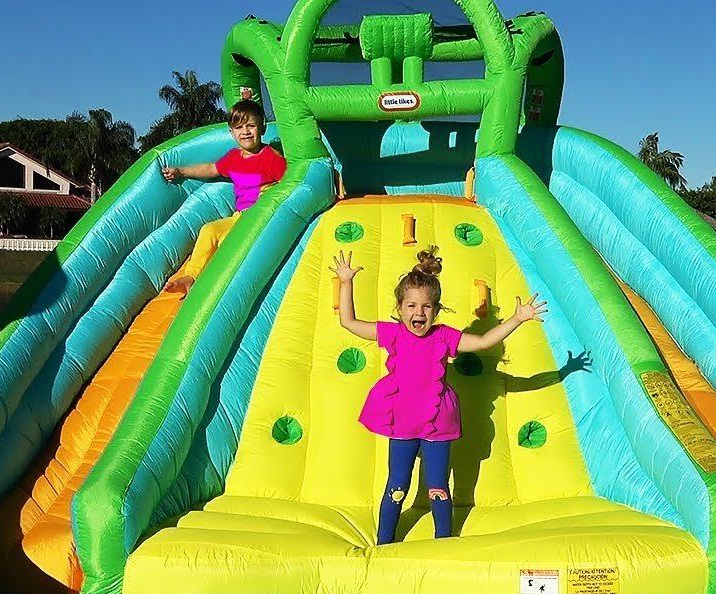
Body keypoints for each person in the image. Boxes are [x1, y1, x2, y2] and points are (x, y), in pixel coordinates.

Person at [332, 246, 547, 545]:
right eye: (411, 306)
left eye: (426, 307)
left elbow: (484, 341)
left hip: (436, 423)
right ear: (399, 307)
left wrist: (517, 319)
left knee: (438, 486)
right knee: (397, 485)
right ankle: (384, 543)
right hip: (403, 423)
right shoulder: (393, 334)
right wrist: (346, 282)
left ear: (436, 309)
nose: (418, 313)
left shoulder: (444, 336)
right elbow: (349, 322)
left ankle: (443, 541)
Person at [159, 99, 286, 294]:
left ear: (262, 128)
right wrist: (181, 171)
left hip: (261, 215)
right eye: (239, 127)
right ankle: (190, 277)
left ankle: (222, 285)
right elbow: (211, 168)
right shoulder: (234, 158)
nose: (245, 132)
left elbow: (290, 182)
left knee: (228, 239)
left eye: (251, 126)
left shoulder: (270, 157)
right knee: (209, 230)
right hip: (241, 216)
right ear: (231, 132)